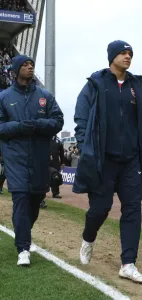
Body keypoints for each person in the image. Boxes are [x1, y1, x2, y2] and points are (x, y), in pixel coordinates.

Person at [73, 40, 142, 283]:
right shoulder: (96, 84)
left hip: (130, 160)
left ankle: (128, 263)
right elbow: (81, 117)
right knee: (100, 208)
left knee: (133, 209)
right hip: (103, 160)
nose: (128, 56)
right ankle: (88, 238)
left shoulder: (135, 86)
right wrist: (86, 146)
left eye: (130, 53)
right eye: (123, 53)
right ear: (112, 57)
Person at [0, 55, 64, 266]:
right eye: (25, 65)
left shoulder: (45, 96)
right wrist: (18, 127)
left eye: (32, 65)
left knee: (35, 200)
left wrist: (38, 125)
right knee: (21, 198)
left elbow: (58, 121)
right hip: (15, 158)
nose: (30, 67)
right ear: (16, 70)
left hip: (38, 157)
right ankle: (23, 249)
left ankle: (23, 232)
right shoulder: (4, 97)